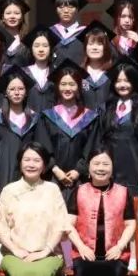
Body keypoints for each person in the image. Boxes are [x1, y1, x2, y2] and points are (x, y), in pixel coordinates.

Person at [0, 142, 69, 276]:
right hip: (14, 253)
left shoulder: (52, 189)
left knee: (38, 271)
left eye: (37, 160)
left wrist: (44, 251)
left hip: (49, 252)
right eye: (26, 159)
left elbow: (61, 225)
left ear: (44, 166)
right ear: (20, 163)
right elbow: (1, 228)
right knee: (22, 271)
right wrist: (16, 250)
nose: (31, 164)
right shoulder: (9, 191)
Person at [67, 148, 136, 276]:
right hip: (82, 252)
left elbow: (131, 224)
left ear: (112, 167)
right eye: (96, 163)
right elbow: (68, 226)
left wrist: (120, 246)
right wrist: (81, 247)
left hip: (115, 252)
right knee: (89, 269)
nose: (101, 168)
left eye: (105, 164)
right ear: (88, 168)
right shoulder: (79, 191)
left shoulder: (123, 192)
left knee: (107, 269)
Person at [35, 60, 100, 199]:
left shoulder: (90, 117)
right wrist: (55, 169)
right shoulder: (47, 116)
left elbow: (92, 147)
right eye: (63, 84)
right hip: (52, 179)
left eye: (72, 84)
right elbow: (42, 146)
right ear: (57, 86)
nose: (67, 88)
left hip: (80, 180)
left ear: (78, 87)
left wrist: (78, 170)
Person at [0, 68, 40, 188]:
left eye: (21, 89)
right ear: (5, 93)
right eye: (12, 89)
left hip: (29, 173)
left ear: (26, 92)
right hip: (2, 173)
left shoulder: (35, 119)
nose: (17, 93)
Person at [97, 59, 138, 193]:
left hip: (134, 167)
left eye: (127, 81)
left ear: (134, 82)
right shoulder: (105, 108)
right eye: (118, 81)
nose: (122, 85)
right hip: (108, 166)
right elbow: (99, 139)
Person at [21, 24, 60, 113]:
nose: (41, 49)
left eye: (45, 46)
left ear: (50, 48)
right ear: (31, 49)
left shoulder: (57, 74)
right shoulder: (23, 73)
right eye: (36, 46)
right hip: (29, 120)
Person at [80, 20, 115, 111]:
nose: (94, 48)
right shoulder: (79, 73)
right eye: (91, 44)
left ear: (105, 48)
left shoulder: (113, 74)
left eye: (99, 44)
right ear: (85, 47)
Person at [0, 0, 32, 67]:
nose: (12, 16)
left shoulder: (28, 40)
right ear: (3, 17)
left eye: (17, 13)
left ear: (22, 17)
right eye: (8, 13)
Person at [50, 0, 88, 67]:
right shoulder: (50, 32)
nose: (66, 11)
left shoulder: (86, 33)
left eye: (70, 7)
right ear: (56, 9)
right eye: (61, 7)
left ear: (77, 9)